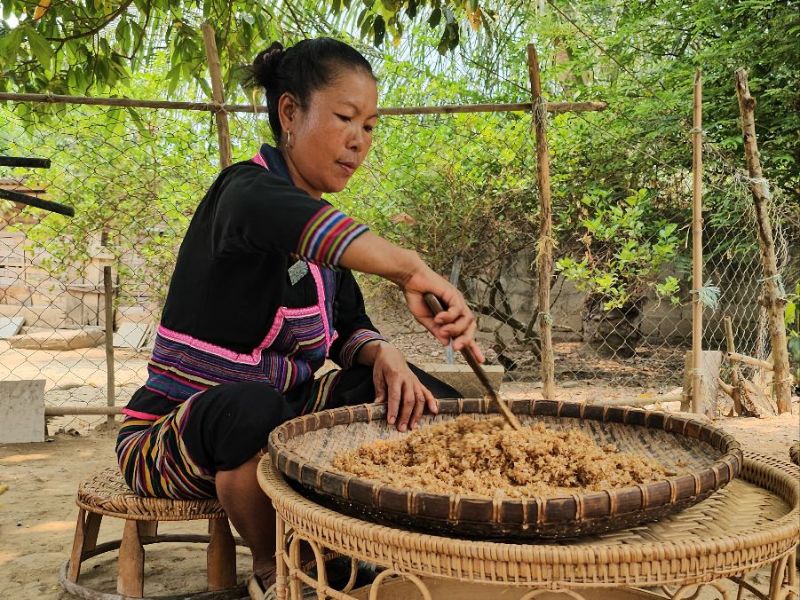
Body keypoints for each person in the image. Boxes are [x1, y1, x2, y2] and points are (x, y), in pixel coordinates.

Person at [115, 37, 484, 598]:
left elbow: (347, 331)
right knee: (249, 404)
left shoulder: (326, 242)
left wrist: (383, 354)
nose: (358, 141)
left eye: (370, 126)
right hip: (175, 434)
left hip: (286, 418)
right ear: (290, 112)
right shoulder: (241, 194)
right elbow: (300, 225)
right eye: (344, 118)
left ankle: (424, 538)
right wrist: (411, 271)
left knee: (420, 395)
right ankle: (277, 565)